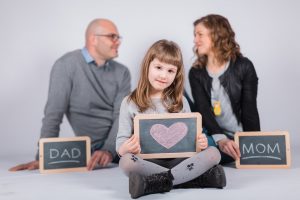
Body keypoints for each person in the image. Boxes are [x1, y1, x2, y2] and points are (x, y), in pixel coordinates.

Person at [9, 18, 131, 171]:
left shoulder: (122, 72)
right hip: (94, 150)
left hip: (124, 142)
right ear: (94, 39)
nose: (118, 41)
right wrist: (43, 156)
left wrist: (109, 149)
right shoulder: (66, 66)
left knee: (162, 156)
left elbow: (122, 115)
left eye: (118, 37)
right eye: (112, 36)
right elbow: (54, 114)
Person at [116, 40, 226, 199]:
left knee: (214, 153)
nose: (163, 75)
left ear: (176, 75)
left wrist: (199, 143)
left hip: (180, 160)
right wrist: (124, 148)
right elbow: (121, 142)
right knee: (126, 162)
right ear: (147, 65)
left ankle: (154, 182)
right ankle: (193, 179)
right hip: (148, 162)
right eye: (158, 67)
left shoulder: (180, 100)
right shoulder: (129, 102)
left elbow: (192, 136)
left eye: (170, 70)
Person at [189, 14, 260, 164]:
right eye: (195, 35)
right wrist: (220, 139)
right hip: (211, 135)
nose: (195, 40)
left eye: (200, 34)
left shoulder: (244, 66)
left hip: (237, 135)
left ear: (217, 34)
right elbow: (203, 110)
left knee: (217, 153)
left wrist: (253, 143)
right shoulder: (196, 72)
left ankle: (216, 156)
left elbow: (250, 109)